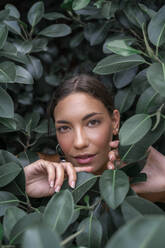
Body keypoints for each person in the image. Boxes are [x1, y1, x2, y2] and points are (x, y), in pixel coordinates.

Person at [24, 74, 165, 202]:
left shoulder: (148, 184)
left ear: (115, 121)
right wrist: (20, 184)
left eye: (92, 122)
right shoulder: (38, 170)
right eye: (64, 128)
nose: (79, 142)